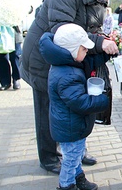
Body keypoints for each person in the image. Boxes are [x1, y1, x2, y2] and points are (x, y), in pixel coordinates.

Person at [20, 0, 122, 174]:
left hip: (74, 58)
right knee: (49, 109)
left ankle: (75, 149)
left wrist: (103, 38)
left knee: (75, 107)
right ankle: (49, 157)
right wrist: (98, 42)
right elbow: (62, 30)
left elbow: (90, 27)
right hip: (45, 59)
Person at [39, 24, 109, 190]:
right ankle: (66, 185)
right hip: (70, 128)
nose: (86, 53)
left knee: (74, 156)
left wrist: (106, 54)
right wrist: (102, 100)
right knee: (70, 160)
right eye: (84, 49)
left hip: (69, 125)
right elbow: (80, 103)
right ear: (72, 50)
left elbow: (88, 62)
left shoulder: (65, 64)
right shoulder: (68, 75)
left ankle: (79, 179)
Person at [0, 0, 23, 91]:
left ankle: (16, 79)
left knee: (15, 55)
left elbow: (28, 7)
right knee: (1, 57)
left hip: (14, 30)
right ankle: (5, 82)